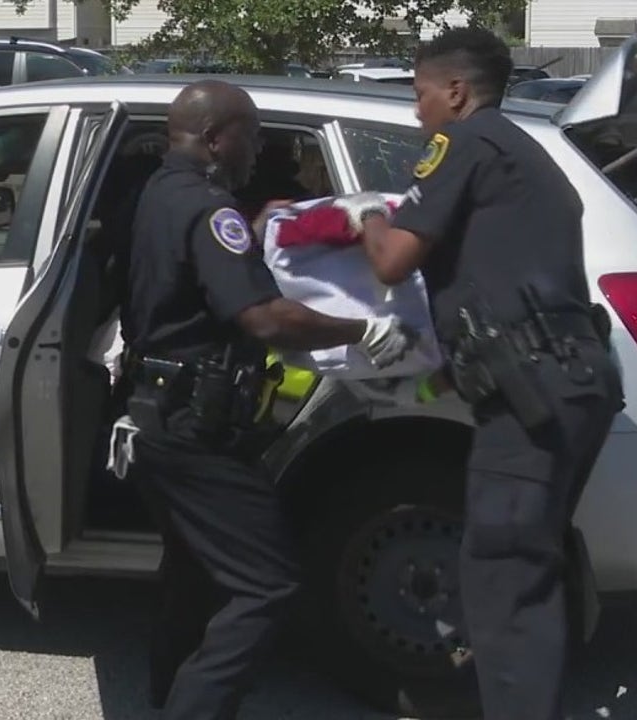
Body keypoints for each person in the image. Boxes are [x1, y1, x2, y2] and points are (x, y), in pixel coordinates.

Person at [334, 27, 625, 720]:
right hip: (571, 380)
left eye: (420, 93)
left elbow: (393, 260)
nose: (416, 110)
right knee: (528, 566)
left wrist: (364, 214)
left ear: (456, 92)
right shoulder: (528, 150)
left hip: (529, 389)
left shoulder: (464, 144)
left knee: (501, 577)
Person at [119, 78, 417, 719]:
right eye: (252, 138)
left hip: (160, 418)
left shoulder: (159, 192)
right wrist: (360, 328)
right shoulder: (210, 211)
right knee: (268, 582)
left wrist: (267, 219)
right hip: (197, 433)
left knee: (193, 578)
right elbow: (264, 320)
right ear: (216, 138)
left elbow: (200, 260)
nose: (257, 151)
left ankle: (170, 701)